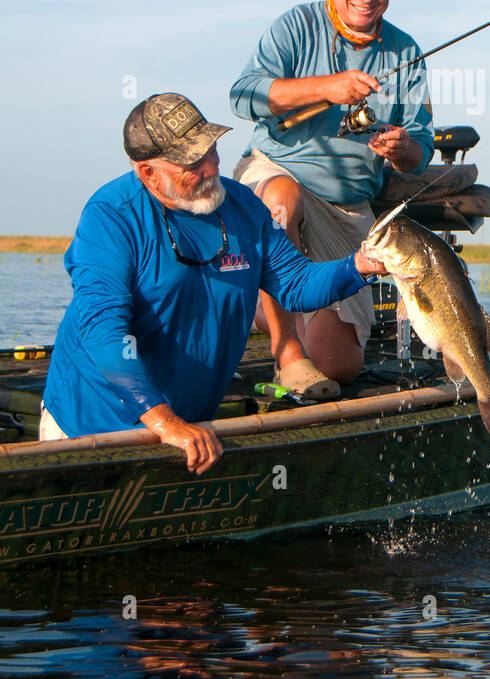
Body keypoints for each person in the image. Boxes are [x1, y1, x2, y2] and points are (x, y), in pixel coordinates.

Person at [40, 93, 384, 473]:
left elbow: (296, 283)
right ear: (148, 172)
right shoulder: (110, 217)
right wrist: (164, 422)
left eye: (211, 151)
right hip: (94, 428)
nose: (209, 168)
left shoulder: (243, 205)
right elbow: (104, 335)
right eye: (191, 162)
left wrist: (360, 265)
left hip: (190, 429)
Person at [230, 0, 433, 392]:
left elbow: (419, 154)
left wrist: (403, 149)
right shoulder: (295, 26)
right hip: (278, 173)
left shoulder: (406, 51)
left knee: (337, 365)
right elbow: (242, 95)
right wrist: (325, 86)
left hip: (347, 209)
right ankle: (286, 348)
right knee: (279, 199)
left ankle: (253, 305)